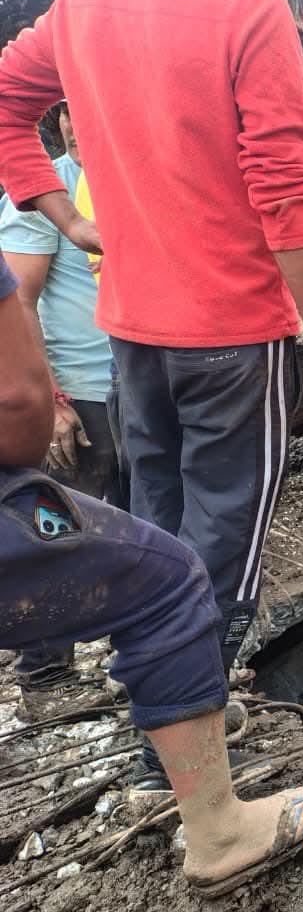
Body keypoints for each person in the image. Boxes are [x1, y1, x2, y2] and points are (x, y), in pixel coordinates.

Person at [0, 0, 303, 791]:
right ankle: (177, 763)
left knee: (159, 533)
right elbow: (282, 189)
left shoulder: (81, 3)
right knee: (223, 546)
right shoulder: (248, 5)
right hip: (234, 327)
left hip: (133, 331)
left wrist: (66, 216)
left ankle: (159, 727)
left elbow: (7, 98)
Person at [0, 253, 303, 895]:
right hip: (228, 327)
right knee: (170, 581)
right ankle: (207, 817)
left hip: (136, 334)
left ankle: (175, 728)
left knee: (157, 509)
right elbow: (15, 397)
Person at [0, 100, 120, 721]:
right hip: (79, 389)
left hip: (134, 381)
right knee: (54, 533)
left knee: (132, 525)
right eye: (64, 110)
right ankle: (45, 677)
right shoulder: (45, 193)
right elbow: (19, 302)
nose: (74, 121)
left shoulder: (126, 174)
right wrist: (53, 400)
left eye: (84, 104)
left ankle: (133, 653)